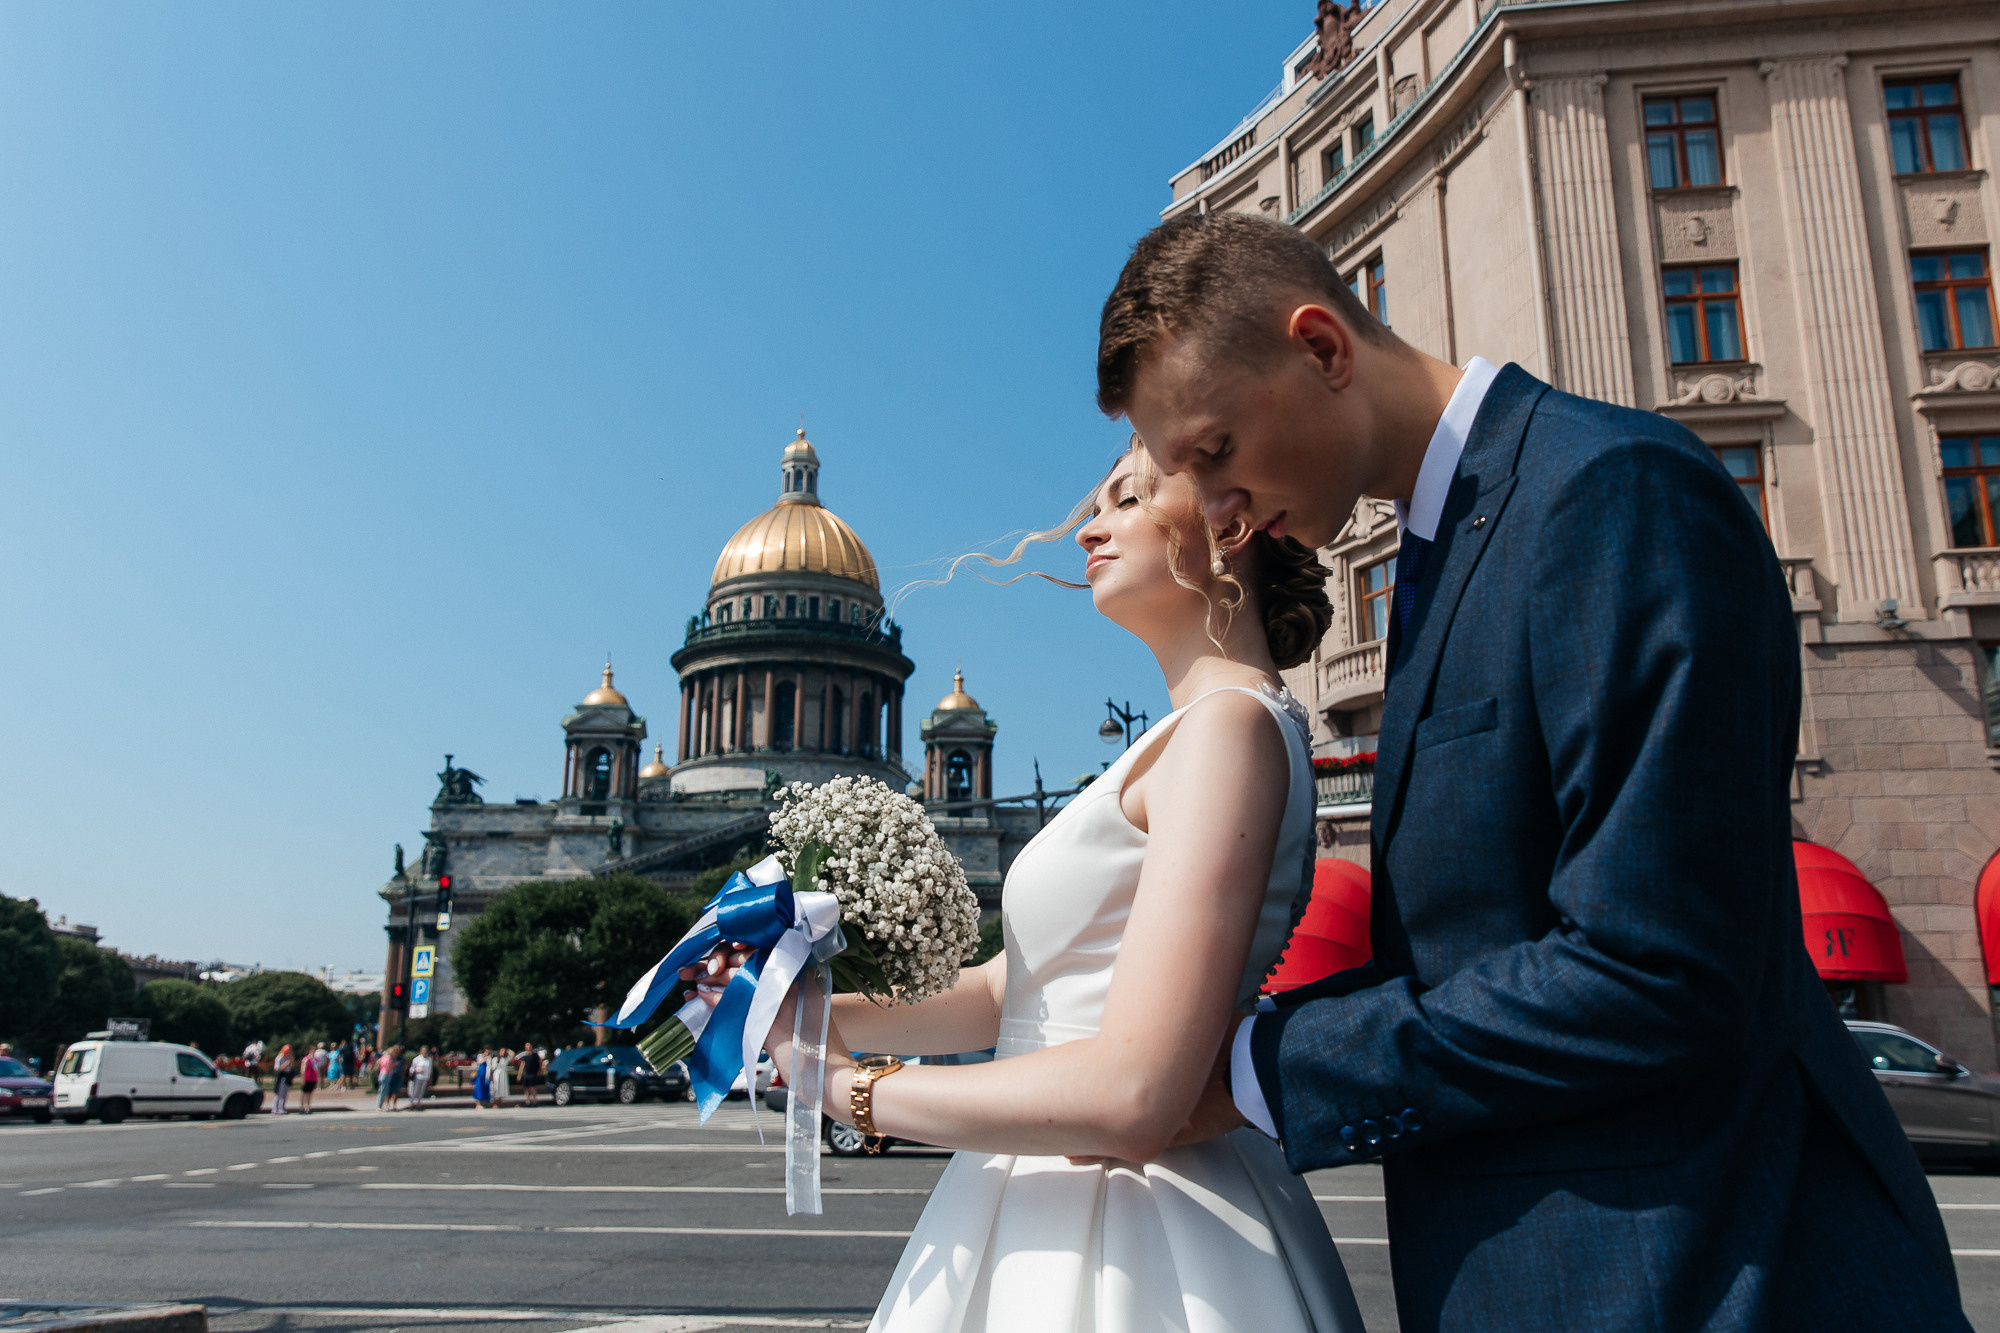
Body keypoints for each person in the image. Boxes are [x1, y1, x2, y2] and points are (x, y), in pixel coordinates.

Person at [1097, 213, 1969, 1330]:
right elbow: (1481, 948)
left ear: (1320, 349)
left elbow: (1650, 965)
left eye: (1212, 452)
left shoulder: (1608, 491)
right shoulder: (1440, 543)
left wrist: (1260, 1064)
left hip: (1697, 1274)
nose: (1213, 512)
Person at [715, 437, 1362, 1332]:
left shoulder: (1226, 732)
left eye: (1126, 500)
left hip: (1128, 1223)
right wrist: (792, 1006)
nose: (1088, 529)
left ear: (1233, 522)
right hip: (1081, 1196)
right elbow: (1012, 990)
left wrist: (847, 1089)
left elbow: (1135, 1095)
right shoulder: (1197, 733)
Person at [270, 1044, 294, 1115]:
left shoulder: (289, 1058)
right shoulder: (279, 1058)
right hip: (281, 1076)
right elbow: (277, 1069)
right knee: (279, 1093)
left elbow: (291, 1067)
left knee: (285, 1094)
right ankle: (275, 1108)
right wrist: (286, 1064)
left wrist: (291, 1062)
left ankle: (282, 1108)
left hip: (288, 1075)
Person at [516, 1043, 542, 1108]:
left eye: (529, 1046)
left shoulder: (535, 1055)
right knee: (526, 1088)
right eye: (526, 1046)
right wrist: (519, 1074)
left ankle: (535, 1101)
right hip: (526, 1073)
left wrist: (539, 1071)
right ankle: (527, 1101)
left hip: (532, 1073)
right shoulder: (524, 1056)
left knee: (532, 1087)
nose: (528, 1047)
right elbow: (522, 1065)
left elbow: (540, 1062)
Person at [297, 1043, 319, 1113]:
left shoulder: (315, 1060)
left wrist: (317, 1079)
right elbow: (303, 1070)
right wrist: (303, 1079)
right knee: (304, 1093)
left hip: (313, 1078)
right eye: (312, 1050)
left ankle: (308, 1107)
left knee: (310, 1093)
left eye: (314, 1050)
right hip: (307, 1078)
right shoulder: (306, 1059)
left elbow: (317, 1070)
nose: (314, 1051)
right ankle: (301, 1107)